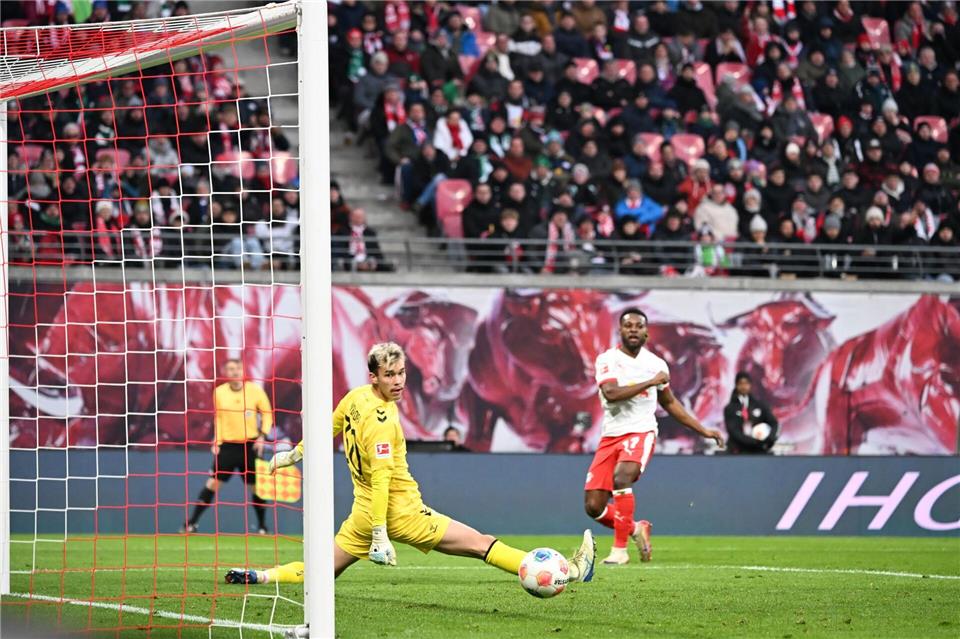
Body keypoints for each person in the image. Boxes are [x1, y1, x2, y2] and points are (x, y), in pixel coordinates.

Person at [227, 343, 596, 584]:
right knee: (481, 544)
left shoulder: (355, 398)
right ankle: (568, 573)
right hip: (400, 513)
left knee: (323, 572)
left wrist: (294, 454)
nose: (398, 381)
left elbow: (328, 428)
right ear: (374, 376)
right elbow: (383, 479)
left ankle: (261, 577)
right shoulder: (382, 421)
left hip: (363, 511)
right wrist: (380, 534)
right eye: (389, 375)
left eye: (401, 372)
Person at [584, 310, 725, 565]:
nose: (633, 329)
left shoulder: (656, 364)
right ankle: (636, 528)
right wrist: (650, 382)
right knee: (594, 506)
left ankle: (619, 551)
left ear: (646, 333)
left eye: (639, 326)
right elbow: (611, 393)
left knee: (622, 477)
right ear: (620, 330)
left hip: (641, 431)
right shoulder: (607, 360)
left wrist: (702, 430)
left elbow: (669, 402)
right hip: (611, 435)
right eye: (628, 325)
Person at [183, 359, 273, 534]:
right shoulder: (219, 392)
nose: (235, 372)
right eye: (231, 369)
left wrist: (262, 436)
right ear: (225, 373)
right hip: (228, 447)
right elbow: (219, 418)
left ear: (243, 370)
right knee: (212, 483)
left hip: (250, 446)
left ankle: (262, 526)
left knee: (257, 487)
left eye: (238, 368)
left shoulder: (255, 391)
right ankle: (191, 524)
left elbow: (267, 414)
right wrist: (217, 440)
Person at [723, 372, 779, 454]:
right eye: (741, 383)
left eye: (746, 383)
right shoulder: (730, 408)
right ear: (736, 385)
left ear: (750, 385)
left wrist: (770, 438)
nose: (743, 386)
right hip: (737, 452)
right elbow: (734, 431)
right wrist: (754, 442)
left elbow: (773, 423)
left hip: (758, 451)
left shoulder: (760, 405)